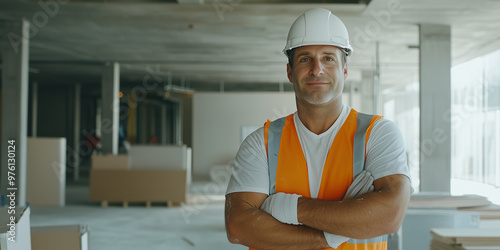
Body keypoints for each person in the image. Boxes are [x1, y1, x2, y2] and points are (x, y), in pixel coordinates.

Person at [224, 8, 412, 250]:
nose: (316, 69)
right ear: (290, 72)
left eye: (328, 58)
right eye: (305, 59)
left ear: (345, 70)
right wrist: (328, 237)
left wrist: (288, 207)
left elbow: (389, 215)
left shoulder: (377, 134)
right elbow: (239, 226)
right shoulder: (261, 143)